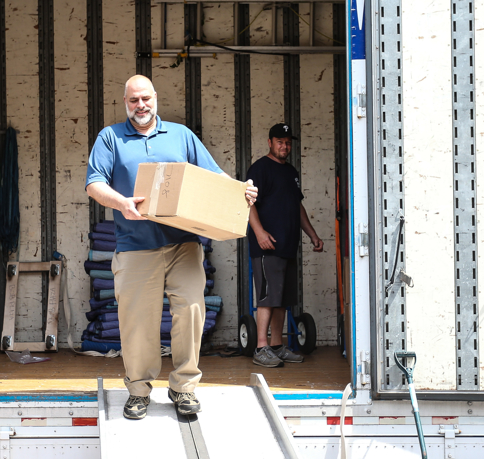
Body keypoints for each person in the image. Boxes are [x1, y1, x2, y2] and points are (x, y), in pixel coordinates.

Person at [85, 75, 258, 420]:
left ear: (156, 98)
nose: (141, 106)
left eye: (145, 99)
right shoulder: (111, 138)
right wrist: (121, 203)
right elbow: (94, 183)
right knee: (136, 322)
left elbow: (214, 176)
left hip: (183, 245)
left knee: (192, 312)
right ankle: (138, 391)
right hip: (135, 247)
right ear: (125, 103)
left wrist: (241, 190)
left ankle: (184, 388)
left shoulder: (180, 135)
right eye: (133, 100)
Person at [246, 123, 324, 368]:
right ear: (270, 142)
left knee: (282, 299)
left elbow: (296, 206)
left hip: (288, 245)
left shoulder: (290, 172)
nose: (285, 146)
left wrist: (312, 235)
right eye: (280, 141)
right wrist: (259, 233)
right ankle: (261, 347)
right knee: (268, 298)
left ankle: (277, 346)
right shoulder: (259, 169)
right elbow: (247, 202)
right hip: (266, 246)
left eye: (288, 142)